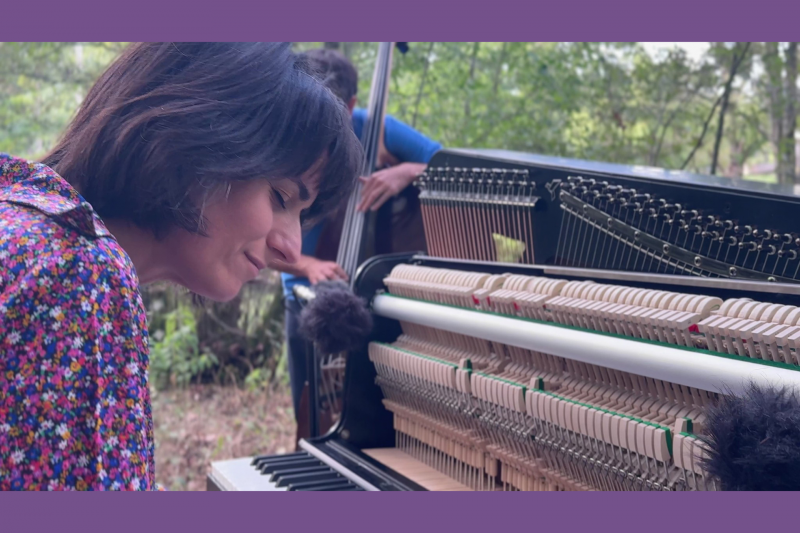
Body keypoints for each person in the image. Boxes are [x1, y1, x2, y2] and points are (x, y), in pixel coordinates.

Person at [0, 42, 363, 490]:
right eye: (281, 197)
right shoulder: (80, 273)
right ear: (200, 138)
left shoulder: (25, 219)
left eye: (303, 217)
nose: (291, 247)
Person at [271, 48, 442, 422]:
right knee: (313, 413)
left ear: (351, 105)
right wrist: (309, 265)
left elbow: (448, 164)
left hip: (369, 299)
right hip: (303, 295)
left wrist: (408, 172)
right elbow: (262, 232)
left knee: (373, 417)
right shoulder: (283, 141)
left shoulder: (375, 127)